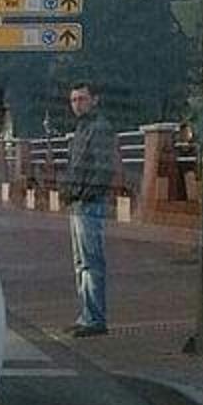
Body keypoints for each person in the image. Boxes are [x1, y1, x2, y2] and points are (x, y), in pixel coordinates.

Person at [61, 81, 117, 337]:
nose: (77, 104)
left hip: (89, 203)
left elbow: (102, 168)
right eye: (74, 100)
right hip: (79, 201)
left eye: (82, 99)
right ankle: (87, 315)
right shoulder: (82, 128)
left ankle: (95, 318)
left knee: (91, 262)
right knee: (81, 262)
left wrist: (84, 194)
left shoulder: (99, 128)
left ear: (95, 99)